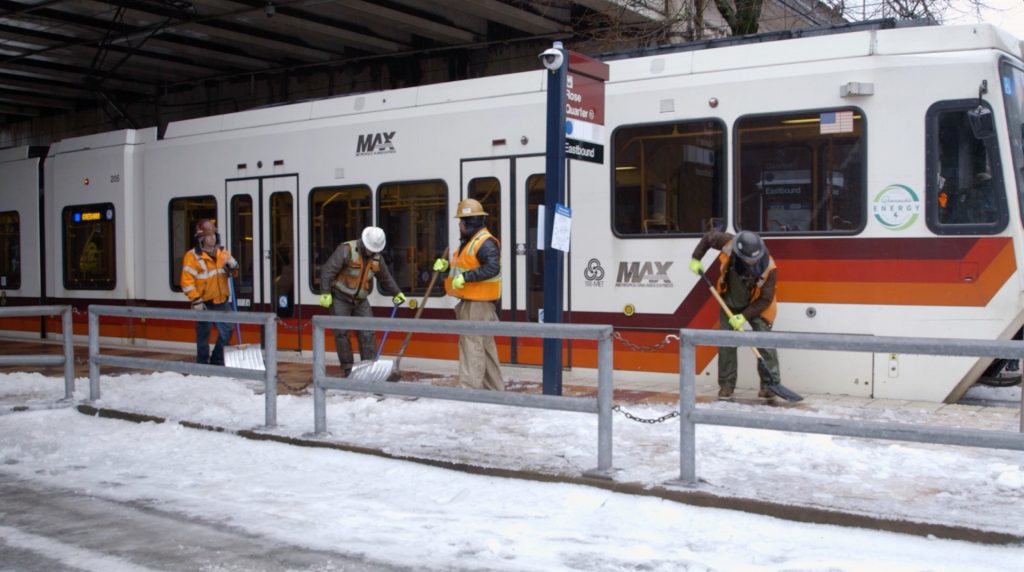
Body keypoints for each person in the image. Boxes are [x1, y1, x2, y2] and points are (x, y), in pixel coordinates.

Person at [689, 229, 781, 400]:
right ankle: (726, 386)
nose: (751, 261)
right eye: (747, 258)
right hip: (729, 300)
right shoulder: (729, 243)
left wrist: (743, 316)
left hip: (757, 304)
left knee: (765, 342)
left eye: (754, 258)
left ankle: (770, 385)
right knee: (726, 342)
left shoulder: (769, 267)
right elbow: (709, 237)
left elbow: (765, 299)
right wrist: (696, 258)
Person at [433, 198, 505, 391]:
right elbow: (465, 268)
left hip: (477, 305)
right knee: (485, 349)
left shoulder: (484, 243)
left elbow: (492, 268)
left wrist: (466, 277)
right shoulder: (472, 242)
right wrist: (446, 268)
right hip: (474, 302)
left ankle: (470, 390)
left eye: (461, 221)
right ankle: (494, 389)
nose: (459, 225)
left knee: (471, 348)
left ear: (468, 222)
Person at [319, 226, 406, 375]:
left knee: (368, 330)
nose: (372, 252)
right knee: (342, 332)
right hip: (340, 297)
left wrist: (397, 292)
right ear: (364, 243)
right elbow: (328, 271)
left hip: (360, 299)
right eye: (370, 248)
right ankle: (348, 368)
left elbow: (385, 277)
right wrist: (325, 293)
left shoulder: (377, 258)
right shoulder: (346, 250)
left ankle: (369, 367)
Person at [181, 219, 239, 365]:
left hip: (222, 301)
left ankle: (217, 360)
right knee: (203, 337)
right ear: (201, 238)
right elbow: (186, 282)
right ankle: (202, 364)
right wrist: (196, 300)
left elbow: (233, 272)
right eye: (208, 235)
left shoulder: (223, 253)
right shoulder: (192, 257)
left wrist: (233, 268)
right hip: (204, 303)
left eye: (213, 234)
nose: (212, 237)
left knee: (227, 331)